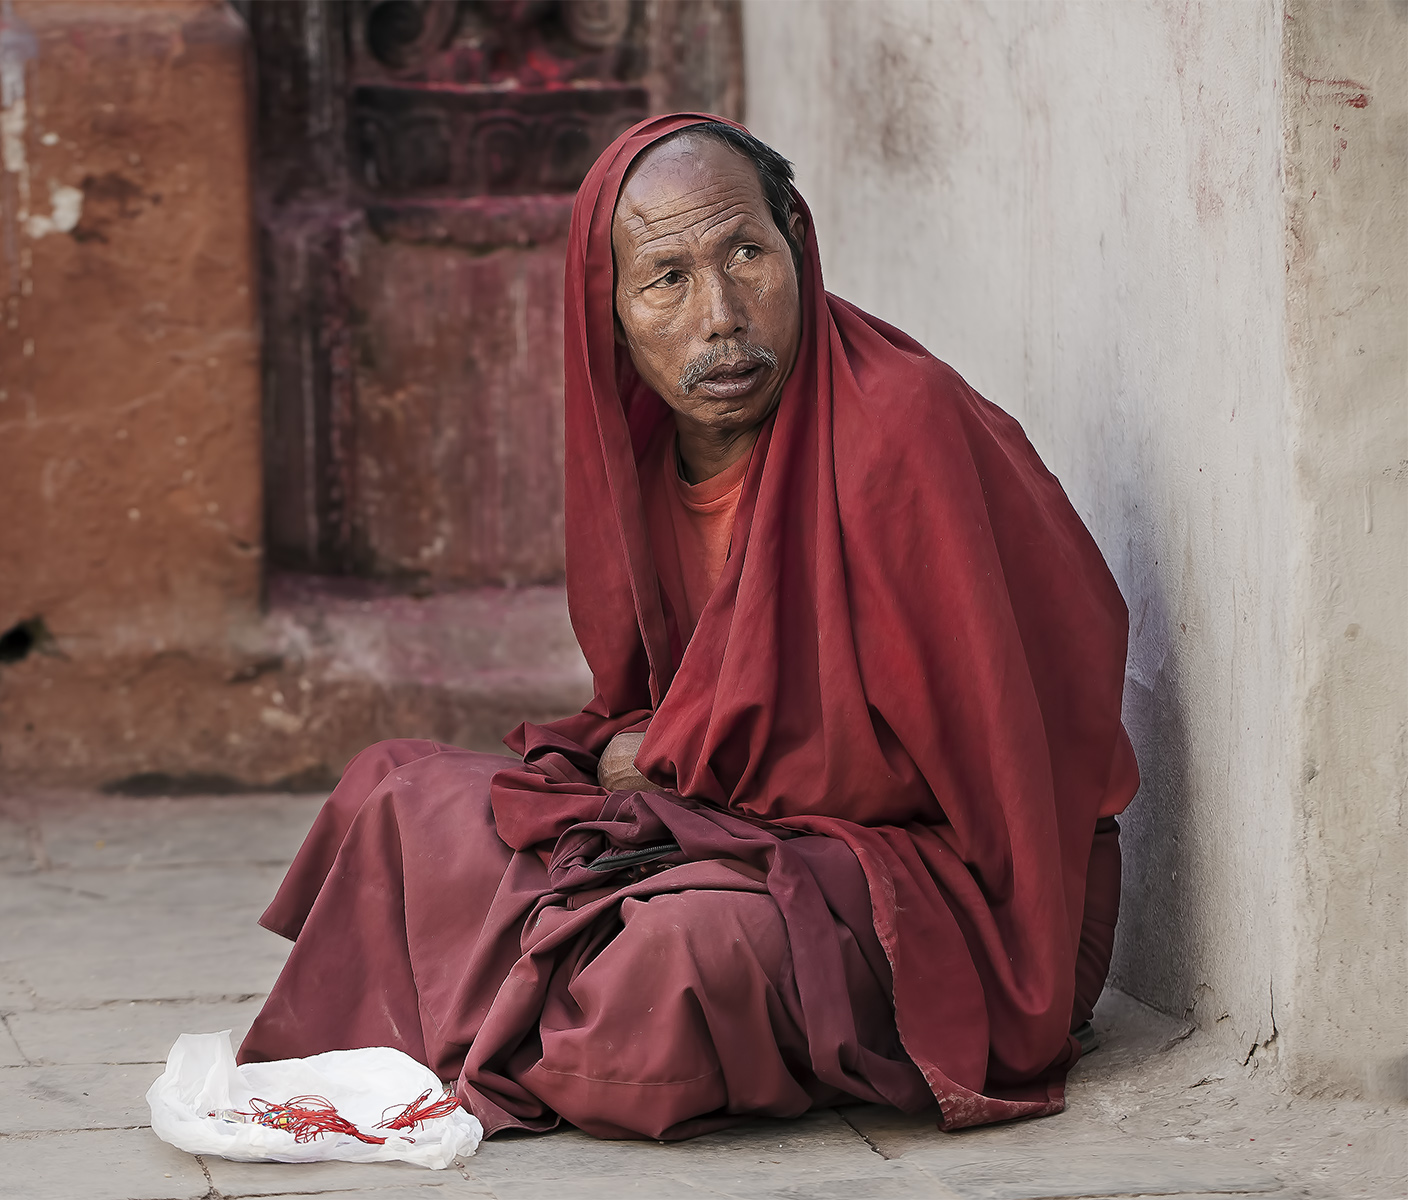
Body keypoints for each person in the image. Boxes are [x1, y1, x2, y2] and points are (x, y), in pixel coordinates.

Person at [237, 114, 1136, 1142]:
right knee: (394, 793)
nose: (721, 315)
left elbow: (992, 768)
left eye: (747, 254)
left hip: (961, 894)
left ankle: (546, 1001)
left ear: (797, 246)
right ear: (610, 315)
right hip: (746, 828)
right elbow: (675, 720)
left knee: (678, 961)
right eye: (666, 278)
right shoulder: (654, 458)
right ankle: (554, 994)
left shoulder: (901, 427)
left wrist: (672, 762)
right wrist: (663, 765)